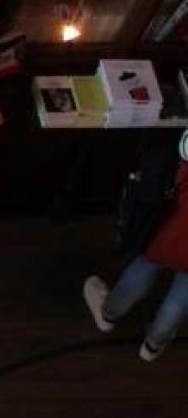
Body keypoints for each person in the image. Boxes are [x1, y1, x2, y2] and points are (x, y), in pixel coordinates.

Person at [84, 132, 188, 361]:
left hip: (174, 229)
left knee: (145, 267)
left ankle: (109, 314)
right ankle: (153, 344)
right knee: (181, 296)